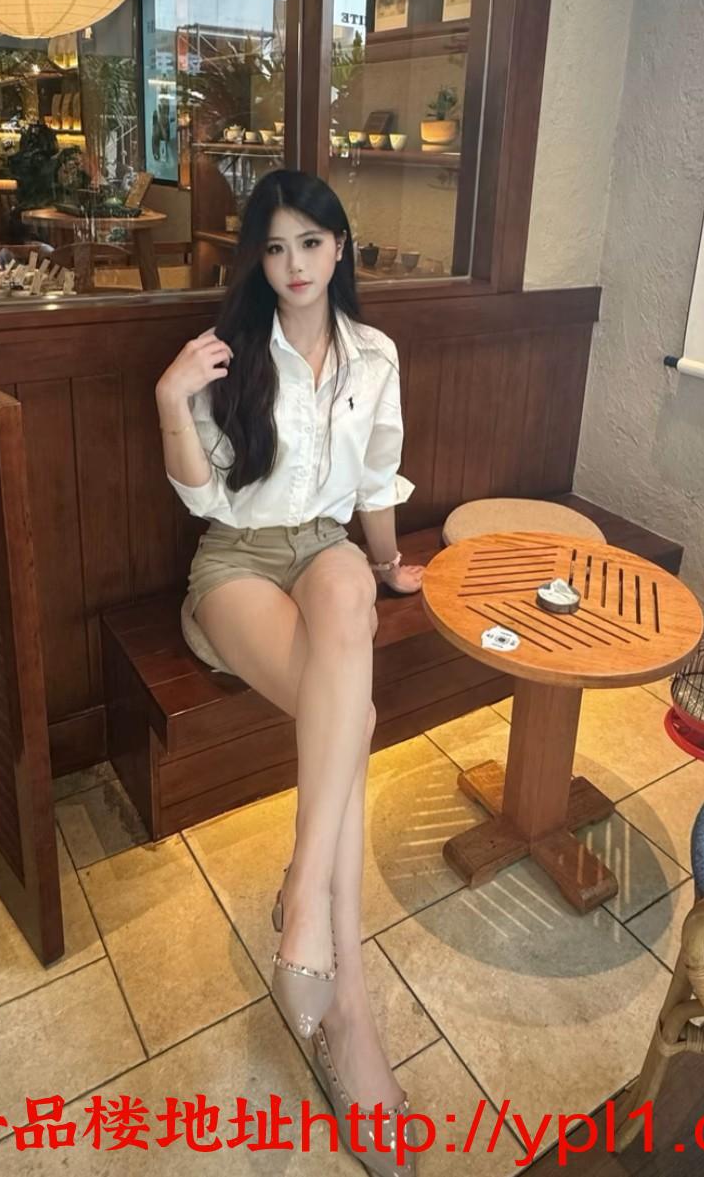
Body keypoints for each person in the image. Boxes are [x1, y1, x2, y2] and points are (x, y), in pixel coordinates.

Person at [156, 169, 422, 1175]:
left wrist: (389, 564)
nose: (294, 263)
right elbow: (202, 500)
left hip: (324, 552)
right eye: (274, 246)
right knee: (352, 720)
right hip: (235, 563)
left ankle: (304, 901)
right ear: (257, 259)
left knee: (349, 580)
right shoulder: (229, 352)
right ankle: (348, 1004)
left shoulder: (373, 354)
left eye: (310, 242)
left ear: (340, 247)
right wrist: (170, 396)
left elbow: (374, 482)